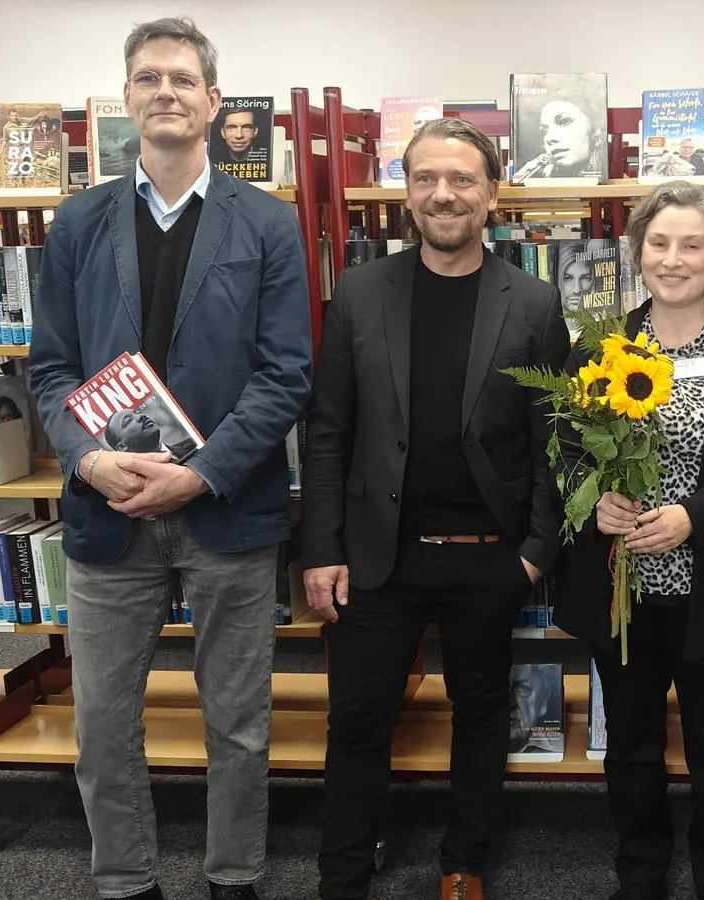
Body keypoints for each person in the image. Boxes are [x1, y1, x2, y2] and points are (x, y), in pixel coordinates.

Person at [27, 16, 312, 900]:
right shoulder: (76, 222)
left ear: (214, 102)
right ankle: (124, 881)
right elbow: (49, 369)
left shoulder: (268, 223)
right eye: (148, 78)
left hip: (226, 507)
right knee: (103, 722)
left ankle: (235, 876)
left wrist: (200, 471)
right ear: (126, 101)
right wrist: (86, 462)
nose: (165, 92)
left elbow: (286, 371)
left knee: (239, 722)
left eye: (183, 80)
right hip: (107, 511)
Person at [302, 115, 570, 900]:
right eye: (426, 179)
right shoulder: (359, 292)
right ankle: (342, 873)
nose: (443, 194)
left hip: (490, 553)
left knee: (481, 714)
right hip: (378, 554)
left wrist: (536, 552)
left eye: (461, 180)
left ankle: (465, 862)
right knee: (356, 720)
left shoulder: (533, 302)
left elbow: (554, 439)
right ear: (406, 194)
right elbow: (328, 429)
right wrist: (322, 548)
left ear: (492, 194)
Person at [554, 181, 704, 900]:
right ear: (637, 254)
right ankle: (640, 874)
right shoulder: (601, 347)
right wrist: (594, 498)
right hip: (622, 591)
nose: (673, 258)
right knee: (631, 747)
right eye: (658, 243)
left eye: (693, 244)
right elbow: (564, 453)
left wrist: (698, 515)